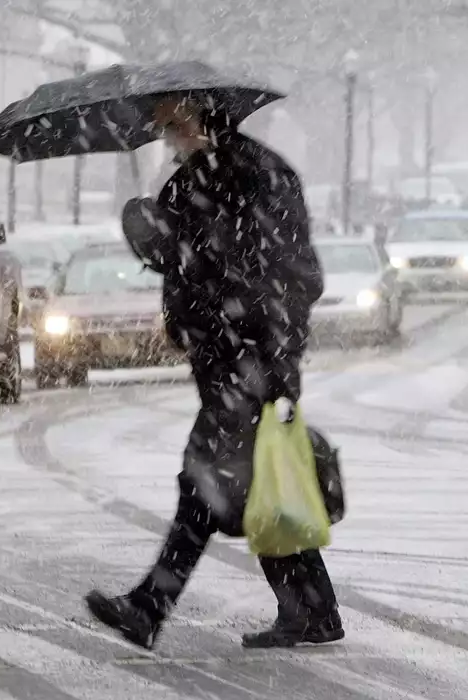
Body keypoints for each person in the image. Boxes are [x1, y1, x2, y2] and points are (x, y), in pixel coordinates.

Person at [85, 96, 344, 649]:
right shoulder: (187, 182)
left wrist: (274, 361)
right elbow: (179, 259)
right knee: (256, 485)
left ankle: (148, 607)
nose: (162, 130)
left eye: (170, 119)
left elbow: (296, 277)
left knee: (201, 485)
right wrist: (147, 230)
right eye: (159, 123)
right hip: (220, 361)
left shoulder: (262, 175)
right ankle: (314, 611)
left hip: (250, 362)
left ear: (203, 114)